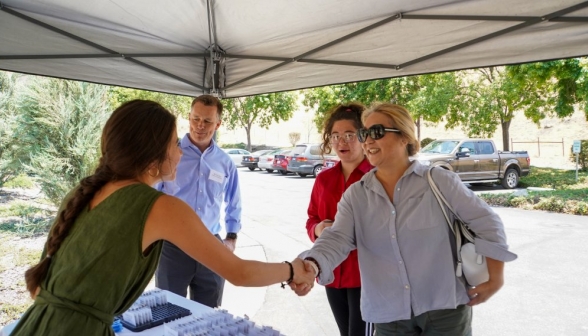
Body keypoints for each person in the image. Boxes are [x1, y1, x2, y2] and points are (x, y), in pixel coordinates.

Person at [11, 100, 315, 336]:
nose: (179, 151)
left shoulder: (85, 190)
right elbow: (239, 272)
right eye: (173, 143)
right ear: (152, 152)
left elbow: (39, 286)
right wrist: (293, 270)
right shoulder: (159, 206)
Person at [299, 103, 517, 336]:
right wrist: (311, 265)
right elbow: (337, 239)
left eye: (377, 132)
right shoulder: (357, 195)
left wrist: (496, 278)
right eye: (365, 134)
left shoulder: (438, 181)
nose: (368, 141)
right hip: (389, 314)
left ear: (404, 137)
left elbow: (487, 224)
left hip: (444, 309)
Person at [154, 95, 241, 308]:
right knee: (167, 311)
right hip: (173, 247)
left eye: (207, 121)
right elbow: (152, 198)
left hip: (212, 246)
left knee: (209, 315)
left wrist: (230, 237)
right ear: (189, 117)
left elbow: (234, 202)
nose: (200, 126)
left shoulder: (225, 162)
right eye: (196, 119)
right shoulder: (170, 155)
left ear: (218, 124)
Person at [305, 103, 372, 336]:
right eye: (335, 136)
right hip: (332, 272)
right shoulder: (323, 179)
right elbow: (311, 218)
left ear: (363, 137)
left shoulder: (375, 177)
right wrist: (318, 230)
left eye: (349, 135)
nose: (341, 142)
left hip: (366, 275)